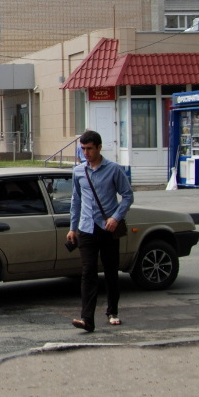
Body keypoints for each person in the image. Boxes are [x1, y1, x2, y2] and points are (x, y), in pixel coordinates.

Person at [67, 129, 134, 332]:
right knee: (88, 273)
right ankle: (87, 319)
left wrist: (116, 217)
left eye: (89, 149)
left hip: (107, 229)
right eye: (82, 149)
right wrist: (72, 228)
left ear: (98, 147)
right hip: (86, 229)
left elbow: (128, 196)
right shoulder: (79, 171)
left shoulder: (113, 169)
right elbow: (76, 201)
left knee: (111, 271)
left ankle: (112, 311)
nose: (85, 153)